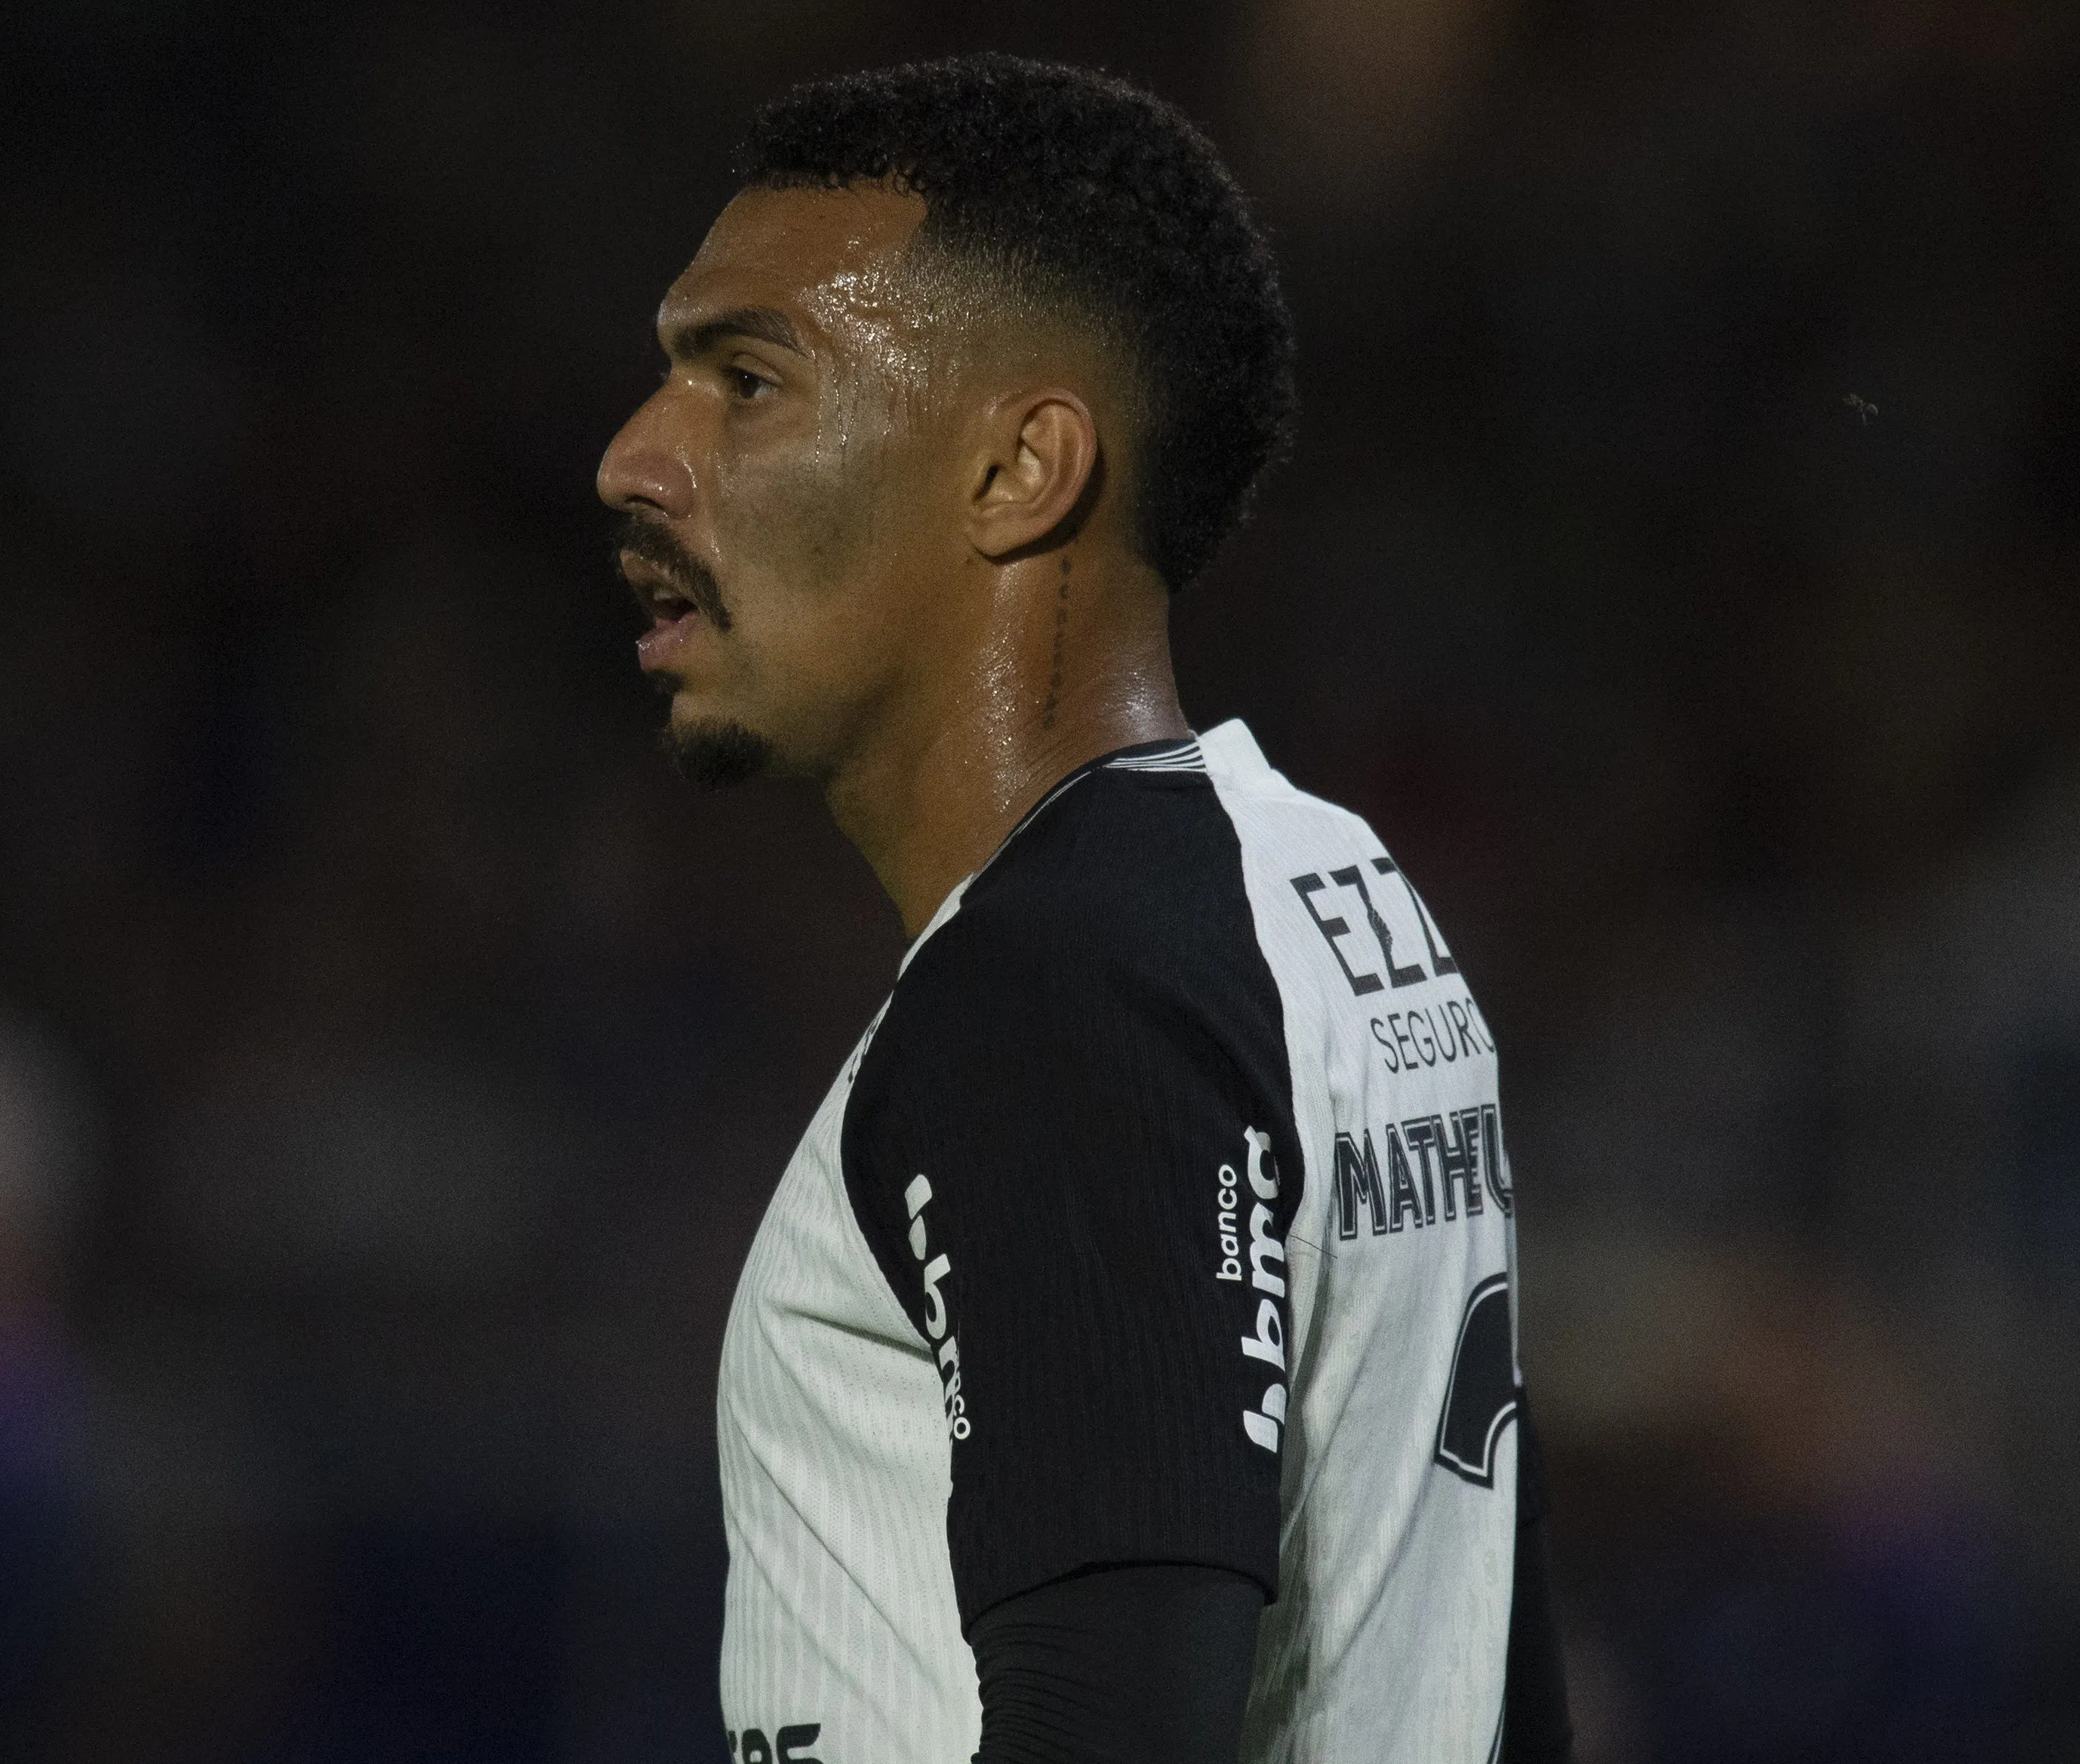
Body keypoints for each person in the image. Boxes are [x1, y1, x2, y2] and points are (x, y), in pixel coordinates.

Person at [594, 56, 1569, 1764]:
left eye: (745, 379)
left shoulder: (1063, 983)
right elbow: (1498, 1675)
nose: (633, 459)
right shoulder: (1322, 894)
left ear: (1018, 471)